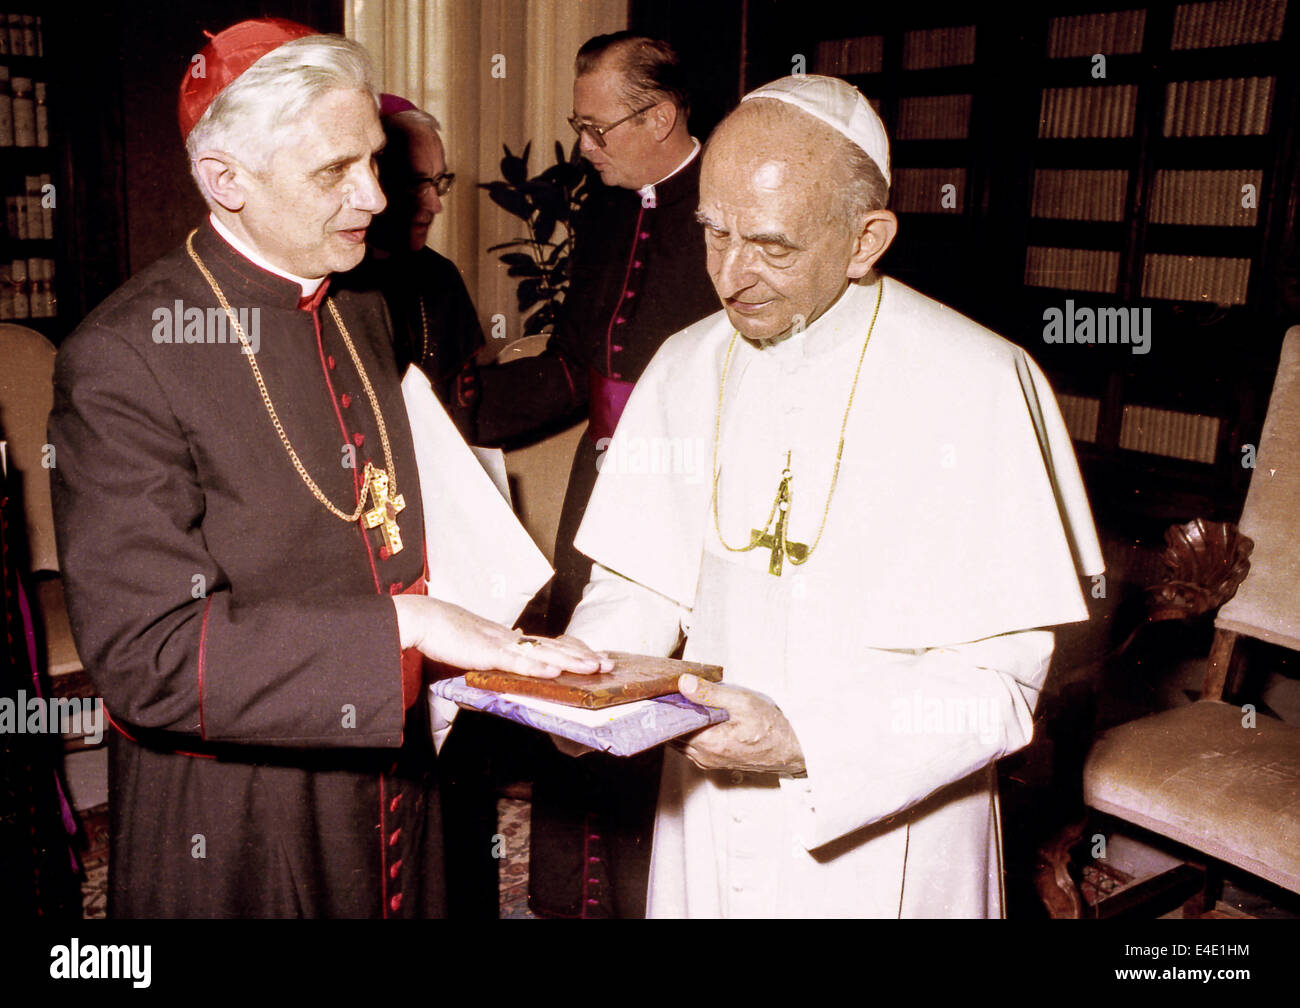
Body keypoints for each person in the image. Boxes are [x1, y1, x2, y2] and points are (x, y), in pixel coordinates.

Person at [47, 18, 606, 919]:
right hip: (239, 797)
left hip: (393, 757)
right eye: (333, 172)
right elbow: (144, 657)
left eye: (374, 161)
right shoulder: (124, 354)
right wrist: (406, 625)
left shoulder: (363, 305)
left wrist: (485, 630)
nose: (376, 198)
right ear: (224, 179)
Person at [566, 74, 1105, 917]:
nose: (730, 277)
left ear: (866, 240)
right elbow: (640, 583)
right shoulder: (684, 361)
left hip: (892, 819)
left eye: (772, 245)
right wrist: (588, 680)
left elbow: (1000, 686)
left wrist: (803, 739)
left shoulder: (979, 383)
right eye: (713, 232)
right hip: (706, 797)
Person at [473, 32, 719, 919]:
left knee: (653, 687)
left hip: (694, 489)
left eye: (594, 127)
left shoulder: (727, 206)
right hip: (600, 482)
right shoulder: (611, 205)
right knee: (583, 670)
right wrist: (453, 405)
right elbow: (578, 365)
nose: (582, 148)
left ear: (659, 115)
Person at [342, 95, 483, 438]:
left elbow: (463, 416)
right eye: (417, 183)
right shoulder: (328, 281)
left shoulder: (441, 277)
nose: (435, 205)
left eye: (438, 183)